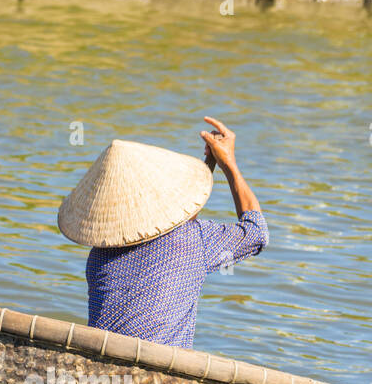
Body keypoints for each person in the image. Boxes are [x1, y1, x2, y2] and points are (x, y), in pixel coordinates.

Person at [57, 117, 268, 350]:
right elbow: (256, 230)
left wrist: (210, 162)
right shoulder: (196, 240)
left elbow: (173, 223)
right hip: (159, 378)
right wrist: (228, 164)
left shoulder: (98, 256)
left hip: (102, 369)